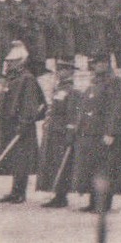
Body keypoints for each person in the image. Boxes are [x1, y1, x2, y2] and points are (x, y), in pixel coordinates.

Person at [71, 55, 121, 214]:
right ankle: (93, 201)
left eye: (101, 63)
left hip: (105, 134)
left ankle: (105, 203)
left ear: (107, 64)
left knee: (106, 168)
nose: (97, 66)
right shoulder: (94, 83)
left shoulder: (115, 82)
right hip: (90, 134)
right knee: (91, 167)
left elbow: (118, 109)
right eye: (95, 63)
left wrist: (111, 131)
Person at [0, 41, 47, 204]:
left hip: (21, 124)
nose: (8, 64)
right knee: (13, 157)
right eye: (8, 62)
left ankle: (20, 192)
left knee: (22, 158)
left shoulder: (26, 79)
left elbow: (30, 103)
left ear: (21, 61)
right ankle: (14, 191)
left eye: (12, 61)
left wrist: (25, 122)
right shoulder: (12, 77)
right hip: (8, 122)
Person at [37, 60, 80, 208]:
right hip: (53, 131)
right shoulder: (57, 89)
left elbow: (73, 114)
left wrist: (70, 132)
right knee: (52, 163)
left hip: (62, 132)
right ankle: (56, 193)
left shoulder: (72, 91)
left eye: (63, 70)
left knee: (61, 163)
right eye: (58, 70)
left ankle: (62, 196)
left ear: (71, 72)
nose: (59, 73)